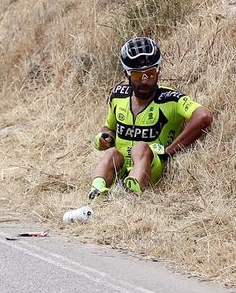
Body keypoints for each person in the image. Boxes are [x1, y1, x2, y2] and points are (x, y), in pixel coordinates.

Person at [89, 37, 213, 199]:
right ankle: (95, 194)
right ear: (127, 74)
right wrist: (105, 138)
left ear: (159, 70)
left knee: (141, 147)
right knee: (111, 153)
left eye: (150, 74)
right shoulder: (118, 96)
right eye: (137, 76)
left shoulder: (171, 99)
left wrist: (168, 151)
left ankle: (132, 195)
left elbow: (203, 116)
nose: (144, 81)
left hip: (151, 165)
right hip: (120, 166)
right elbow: (109, 128)